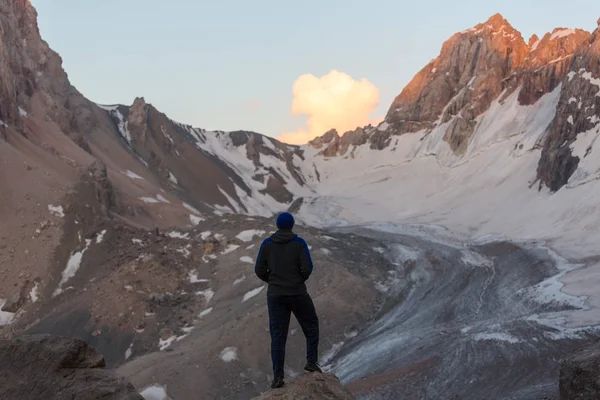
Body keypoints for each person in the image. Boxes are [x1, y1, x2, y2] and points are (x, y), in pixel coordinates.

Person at [254, 212, 322, 389]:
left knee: (278, 336)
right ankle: (312, 362)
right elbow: (308, 267)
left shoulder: (267, 244)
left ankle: (278, 377)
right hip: (297, 292)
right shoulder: (299, 243)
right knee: (311, 326)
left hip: (276, 295)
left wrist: (273, 281)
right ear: (291, 225)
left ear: (278, 225)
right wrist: (298, 280)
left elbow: (259, 269)